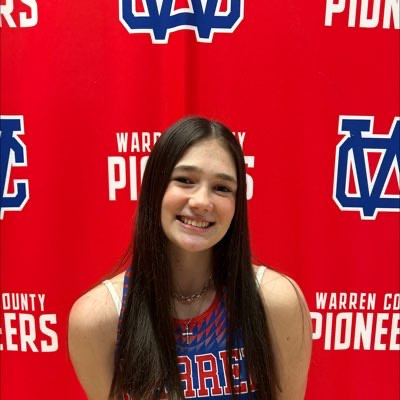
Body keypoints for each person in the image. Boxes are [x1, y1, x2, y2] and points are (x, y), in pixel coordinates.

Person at [68, 116, 312, 400]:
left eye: (222, 188)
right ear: (155, 187)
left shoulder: (276, 301)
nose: (201, 202)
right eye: (185, 180)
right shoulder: (98, 318)